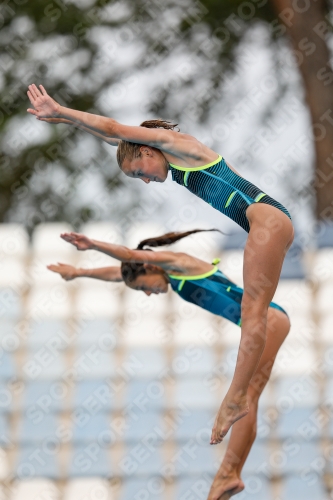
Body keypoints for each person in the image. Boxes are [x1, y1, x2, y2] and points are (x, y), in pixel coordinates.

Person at [27, 84, 294, 444]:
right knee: (253, 309)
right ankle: (236, 399)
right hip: (266, 221)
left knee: (253, 310)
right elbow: (112, 139)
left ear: (147, 148)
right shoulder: (166, 155)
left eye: (140, 170)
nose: (147, 180)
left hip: (265, 219)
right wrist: (64, 121)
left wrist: (63, 110)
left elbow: (113, 129)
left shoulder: (177, 145)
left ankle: (235, 398)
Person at [48, 228, 290, 500]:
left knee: (245, 398)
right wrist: (79, 273)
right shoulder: (172, 277)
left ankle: (228, 474)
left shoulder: (179, 263)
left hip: (268, 321)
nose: (148, 293)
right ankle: (231, 474)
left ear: (150, 266)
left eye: (143, 287)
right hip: (269, 323)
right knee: (248, 398)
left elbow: (127, 255)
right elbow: (118, 272)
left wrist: (93, 245)